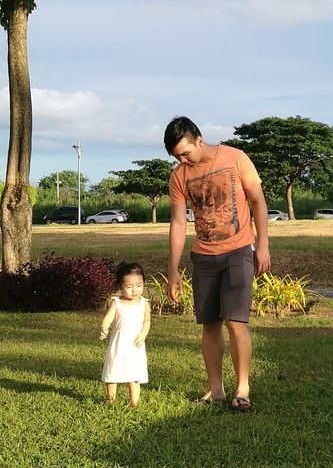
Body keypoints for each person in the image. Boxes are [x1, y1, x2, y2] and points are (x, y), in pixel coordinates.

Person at [164, 116, 271, 412]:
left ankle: (243, 388)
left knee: (236, 322)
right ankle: (216, 389)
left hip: (238, 251)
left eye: (186, 153)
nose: (183, 160)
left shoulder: (236, 158)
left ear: (199, 139)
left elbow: (258, 202)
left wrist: (262, 245)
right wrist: (173, 271)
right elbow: (177, 223)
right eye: (177, 157)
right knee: (209, 325)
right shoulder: (179, 176)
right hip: (204, 256)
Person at [98, 261, 151, 407]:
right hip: (118, 344)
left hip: (135, 344)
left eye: (139, 285)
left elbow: (147, 320)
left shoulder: (143, 303)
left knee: (134, 373)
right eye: (129, 286)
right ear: (120, 286)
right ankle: (110, 398)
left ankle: (134, 401)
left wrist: (143, 334)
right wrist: (104, 327)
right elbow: (108, 318)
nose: (134, 290)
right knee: (112, 370)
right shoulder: (117, 302)